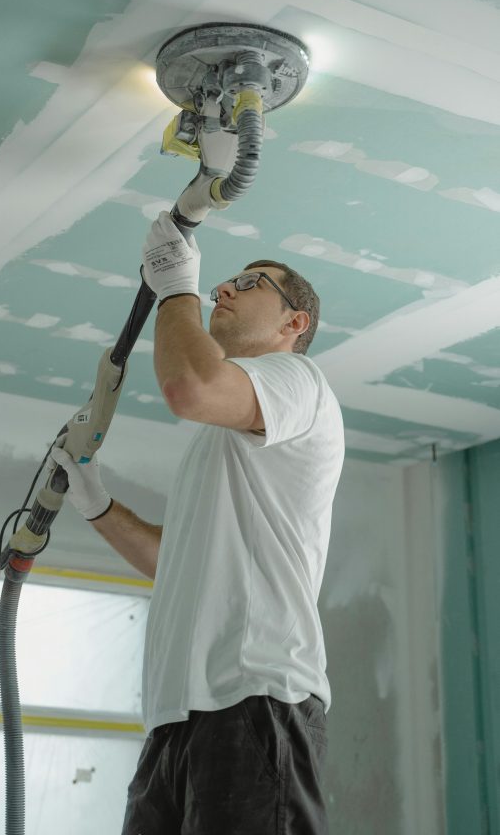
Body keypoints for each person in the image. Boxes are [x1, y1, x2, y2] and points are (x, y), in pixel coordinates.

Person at [49, 210, 345, 834]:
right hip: (174, 715)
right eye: (223, 281)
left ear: (295, 323)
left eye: (251, 282)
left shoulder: (299, 380)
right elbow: (175, 561)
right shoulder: (223, 444)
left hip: (258, 694)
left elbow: (190, 387)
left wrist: (177, 289)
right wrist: (96, 504)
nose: (224, 288)